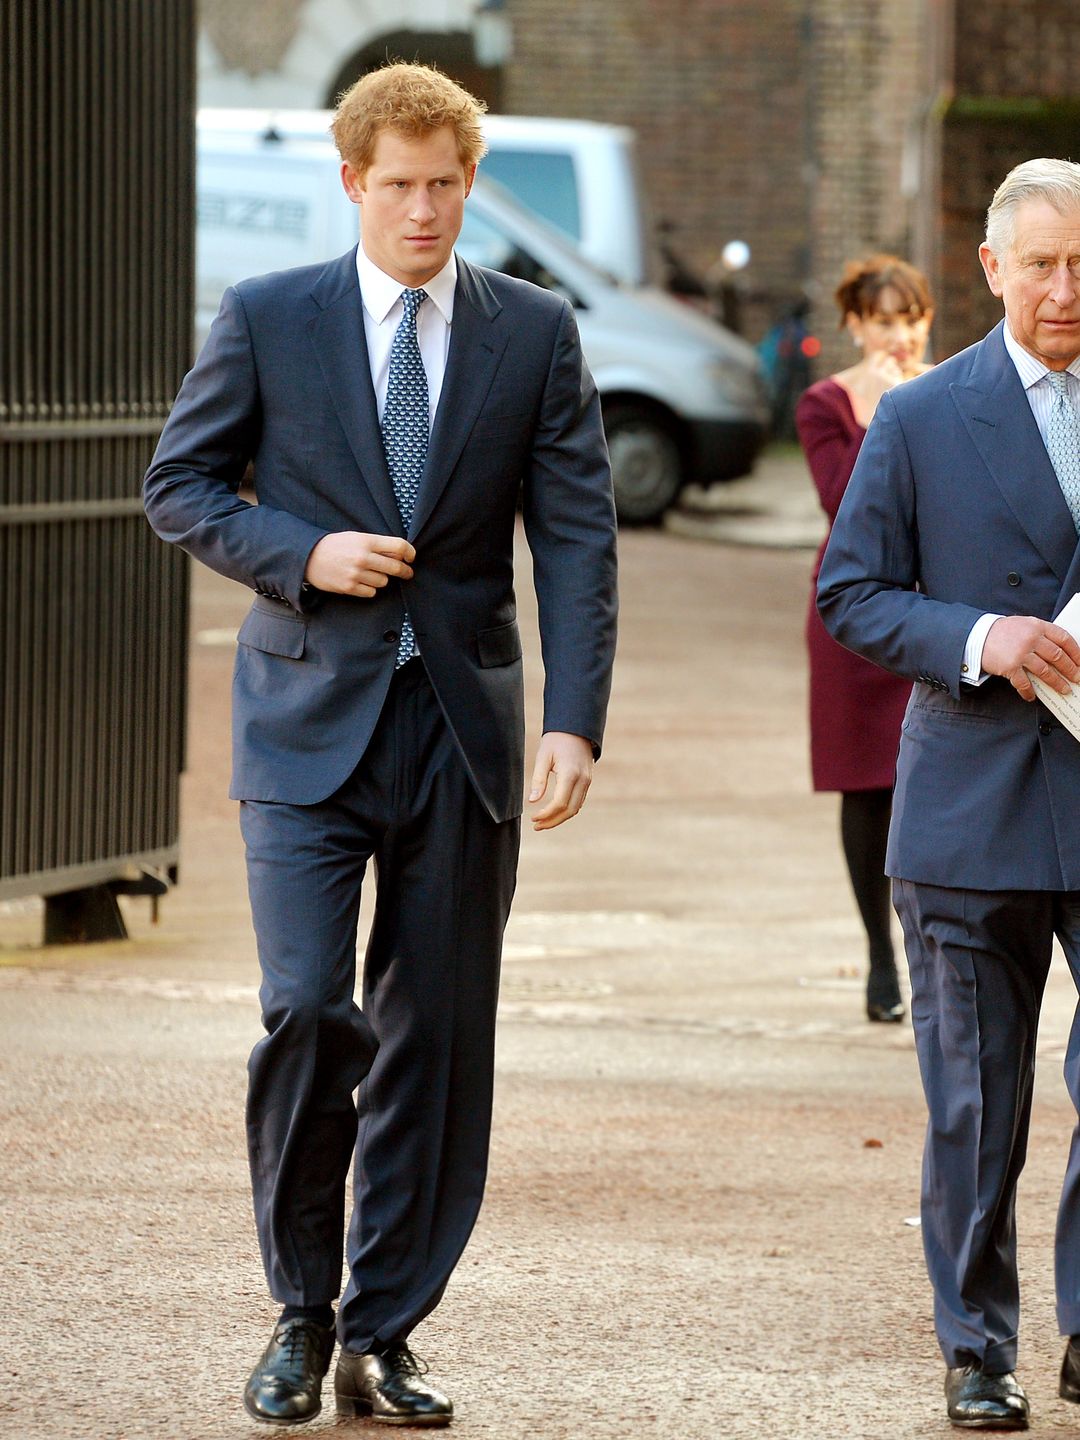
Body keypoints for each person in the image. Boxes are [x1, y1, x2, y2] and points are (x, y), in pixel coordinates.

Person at [144, 62, 617, 1428]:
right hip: (304, 730)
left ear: (472, 185)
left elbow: (577, 537)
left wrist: (576, 718)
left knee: (439, 1041)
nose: (422, 208)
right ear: (353, 182)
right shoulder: (270, 315)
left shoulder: (535, 331)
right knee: (308, 1008)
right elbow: (178, 485)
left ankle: (387, 1326)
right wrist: (303, 553)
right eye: (398, 184)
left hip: (462, 733)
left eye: (445, 184)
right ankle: (301, 1309)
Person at [818, 158, 1080, 1430]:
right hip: (974, 802)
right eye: (1042, 264)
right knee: (980, 1101)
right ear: (991, 270)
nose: (1066, 289)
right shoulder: (922, 419)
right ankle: (980, 1346)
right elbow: (851, 595)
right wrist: (986, 638)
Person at [796, 256, 933, 1023]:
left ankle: (927, 949)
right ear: (855, 324)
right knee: (865, 788)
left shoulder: (952, 390)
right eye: (883, 320)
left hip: (936, 609)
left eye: (910, 318)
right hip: (852, 618)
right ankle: (879, 957)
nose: (900, 334)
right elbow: (838, 498)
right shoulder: (827, 401)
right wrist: (882, 407)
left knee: (933, 781)